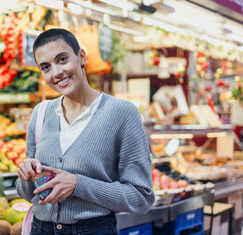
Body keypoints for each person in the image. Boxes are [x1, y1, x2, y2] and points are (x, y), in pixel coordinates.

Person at [16, 28, 154, 235]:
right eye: (46, 67)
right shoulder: (41, 113)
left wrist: (78, 185)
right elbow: (30, 193)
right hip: (41, 228)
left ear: (81, 56)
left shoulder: (122, 114)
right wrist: (26, 176)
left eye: (62, 59)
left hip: (93, 230)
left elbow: (140, 197)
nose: (56, 73)